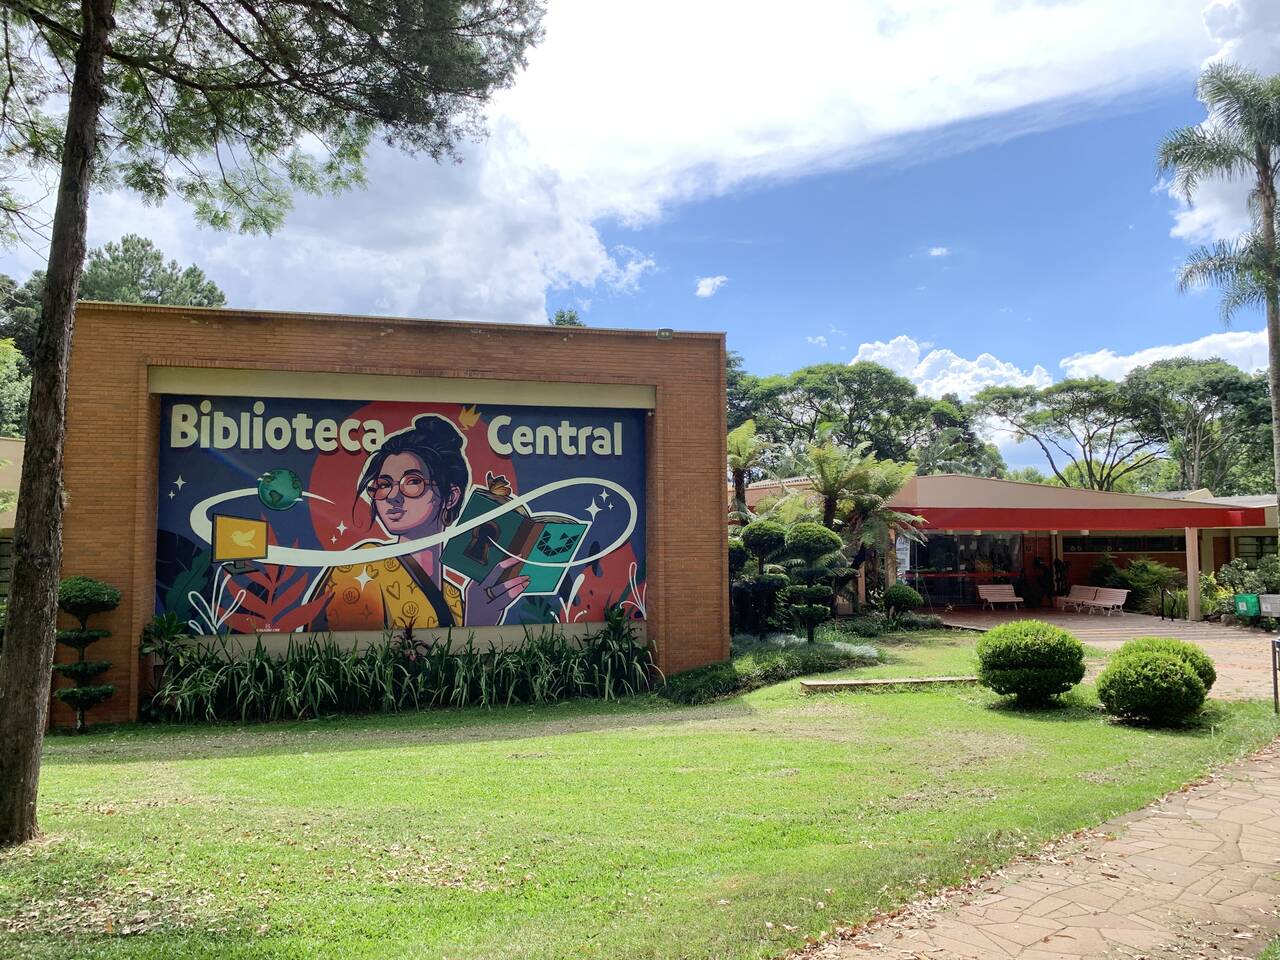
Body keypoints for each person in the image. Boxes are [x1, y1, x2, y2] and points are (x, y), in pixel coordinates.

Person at [311, 414, 529, 629]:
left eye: (413, 482)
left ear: (450, 496)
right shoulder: (363, 566)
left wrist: (478, 619)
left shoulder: (455, 597)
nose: (393, 496)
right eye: (384, 484)